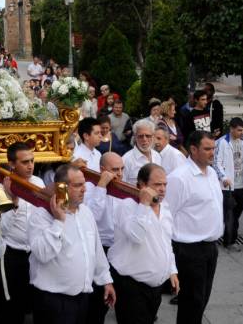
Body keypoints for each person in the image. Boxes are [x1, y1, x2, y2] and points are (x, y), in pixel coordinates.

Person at [28, 163, 115, 324]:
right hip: (53, 301)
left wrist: (106, 280)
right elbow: (42, 254)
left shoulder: (86, 212)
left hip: (82, 297)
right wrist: (59, 221)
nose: (84, 189)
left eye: (84, 184)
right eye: (78, 185)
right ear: (61, 188)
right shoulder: (41, 215)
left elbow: (95, 251)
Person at [109, 164, 179, 324]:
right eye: (157, 184)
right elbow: (136, 236)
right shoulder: (127, 206)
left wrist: (172, 270)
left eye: (165, 184)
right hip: (132, 286)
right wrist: (144, 205)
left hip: (155, 288)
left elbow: (166, 242)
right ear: (142, 184)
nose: (162, 189)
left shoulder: (165, 207)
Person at [166, 131, 223, 324]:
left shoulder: (212, 173)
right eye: (207, 149)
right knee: (192, 303)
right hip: (189, 250)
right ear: (193, 149)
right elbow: (166, 216)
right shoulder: (179, 178)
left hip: (210, 247)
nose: (212, 153)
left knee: (202, 300)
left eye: (213, 148)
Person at [0, 142, 45, 324]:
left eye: (32, 161)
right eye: (25, 162)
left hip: (35, 254)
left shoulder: (38, 183)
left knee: (31, 305)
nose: (30, 166)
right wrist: (13, 202)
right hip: (10, 256)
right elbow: (1, 230)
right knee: (9, 309)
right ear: (12, 164)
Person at [83, 152, 124, 324]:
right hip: (98, 249)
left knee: (111, 300)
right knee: (96, 301)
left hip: (118, 250)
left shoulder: (123, 187)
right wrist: (101, 186)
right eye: (115, 170)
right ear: (102, 170)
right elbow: (92, 217)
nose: (120, 174)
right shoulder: (89, 187)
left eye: (122, 169)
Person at [213, 117, 243, 251]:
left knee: (236, 214)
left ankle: (227, 236)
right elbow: (216, 163)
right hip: (227, 186)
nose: (242, 133)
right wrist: (224, 177)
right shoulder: (221, 142)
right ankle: (229, 241)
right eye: (239, 130)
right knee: (230, 214)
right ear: (231, 129)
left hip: (241, 184)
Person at [122, 120, 162, 184]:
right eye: (140, 136)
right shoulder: (126, 160)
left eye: (148, 136)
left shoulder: (157, 156)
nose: (144, 139)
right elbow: (121, 185)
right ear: (135, 137)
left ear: (153, 136)